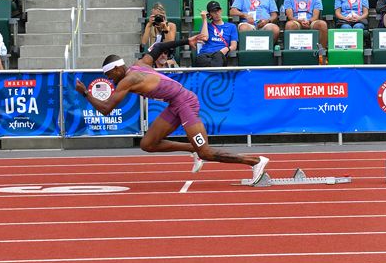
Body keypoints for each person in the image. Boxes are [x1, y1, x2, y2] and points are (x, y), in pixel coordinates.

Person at [75, 55, 270, 182]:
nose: (110, 80)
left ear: (118, 69)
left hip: (185, 103)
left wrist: (85, 93)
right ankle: (193, 149)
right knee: (148, 143)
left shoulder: (128, 79)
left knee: (206, 153)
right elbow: (159, 48)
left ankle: (254, 161)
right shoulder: (139, 65)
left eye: (110, 75)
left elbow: (107, 109)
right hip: (174, 104)